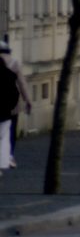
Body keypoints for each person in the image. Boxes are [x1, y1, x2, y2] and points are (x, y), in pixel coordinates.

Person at [0, 36, 28, 175]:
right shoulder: (14, 62)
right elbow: (22, 83)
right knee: (9, 132)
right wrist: (27, 99)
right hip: (11, 105)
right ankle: (9, 156)